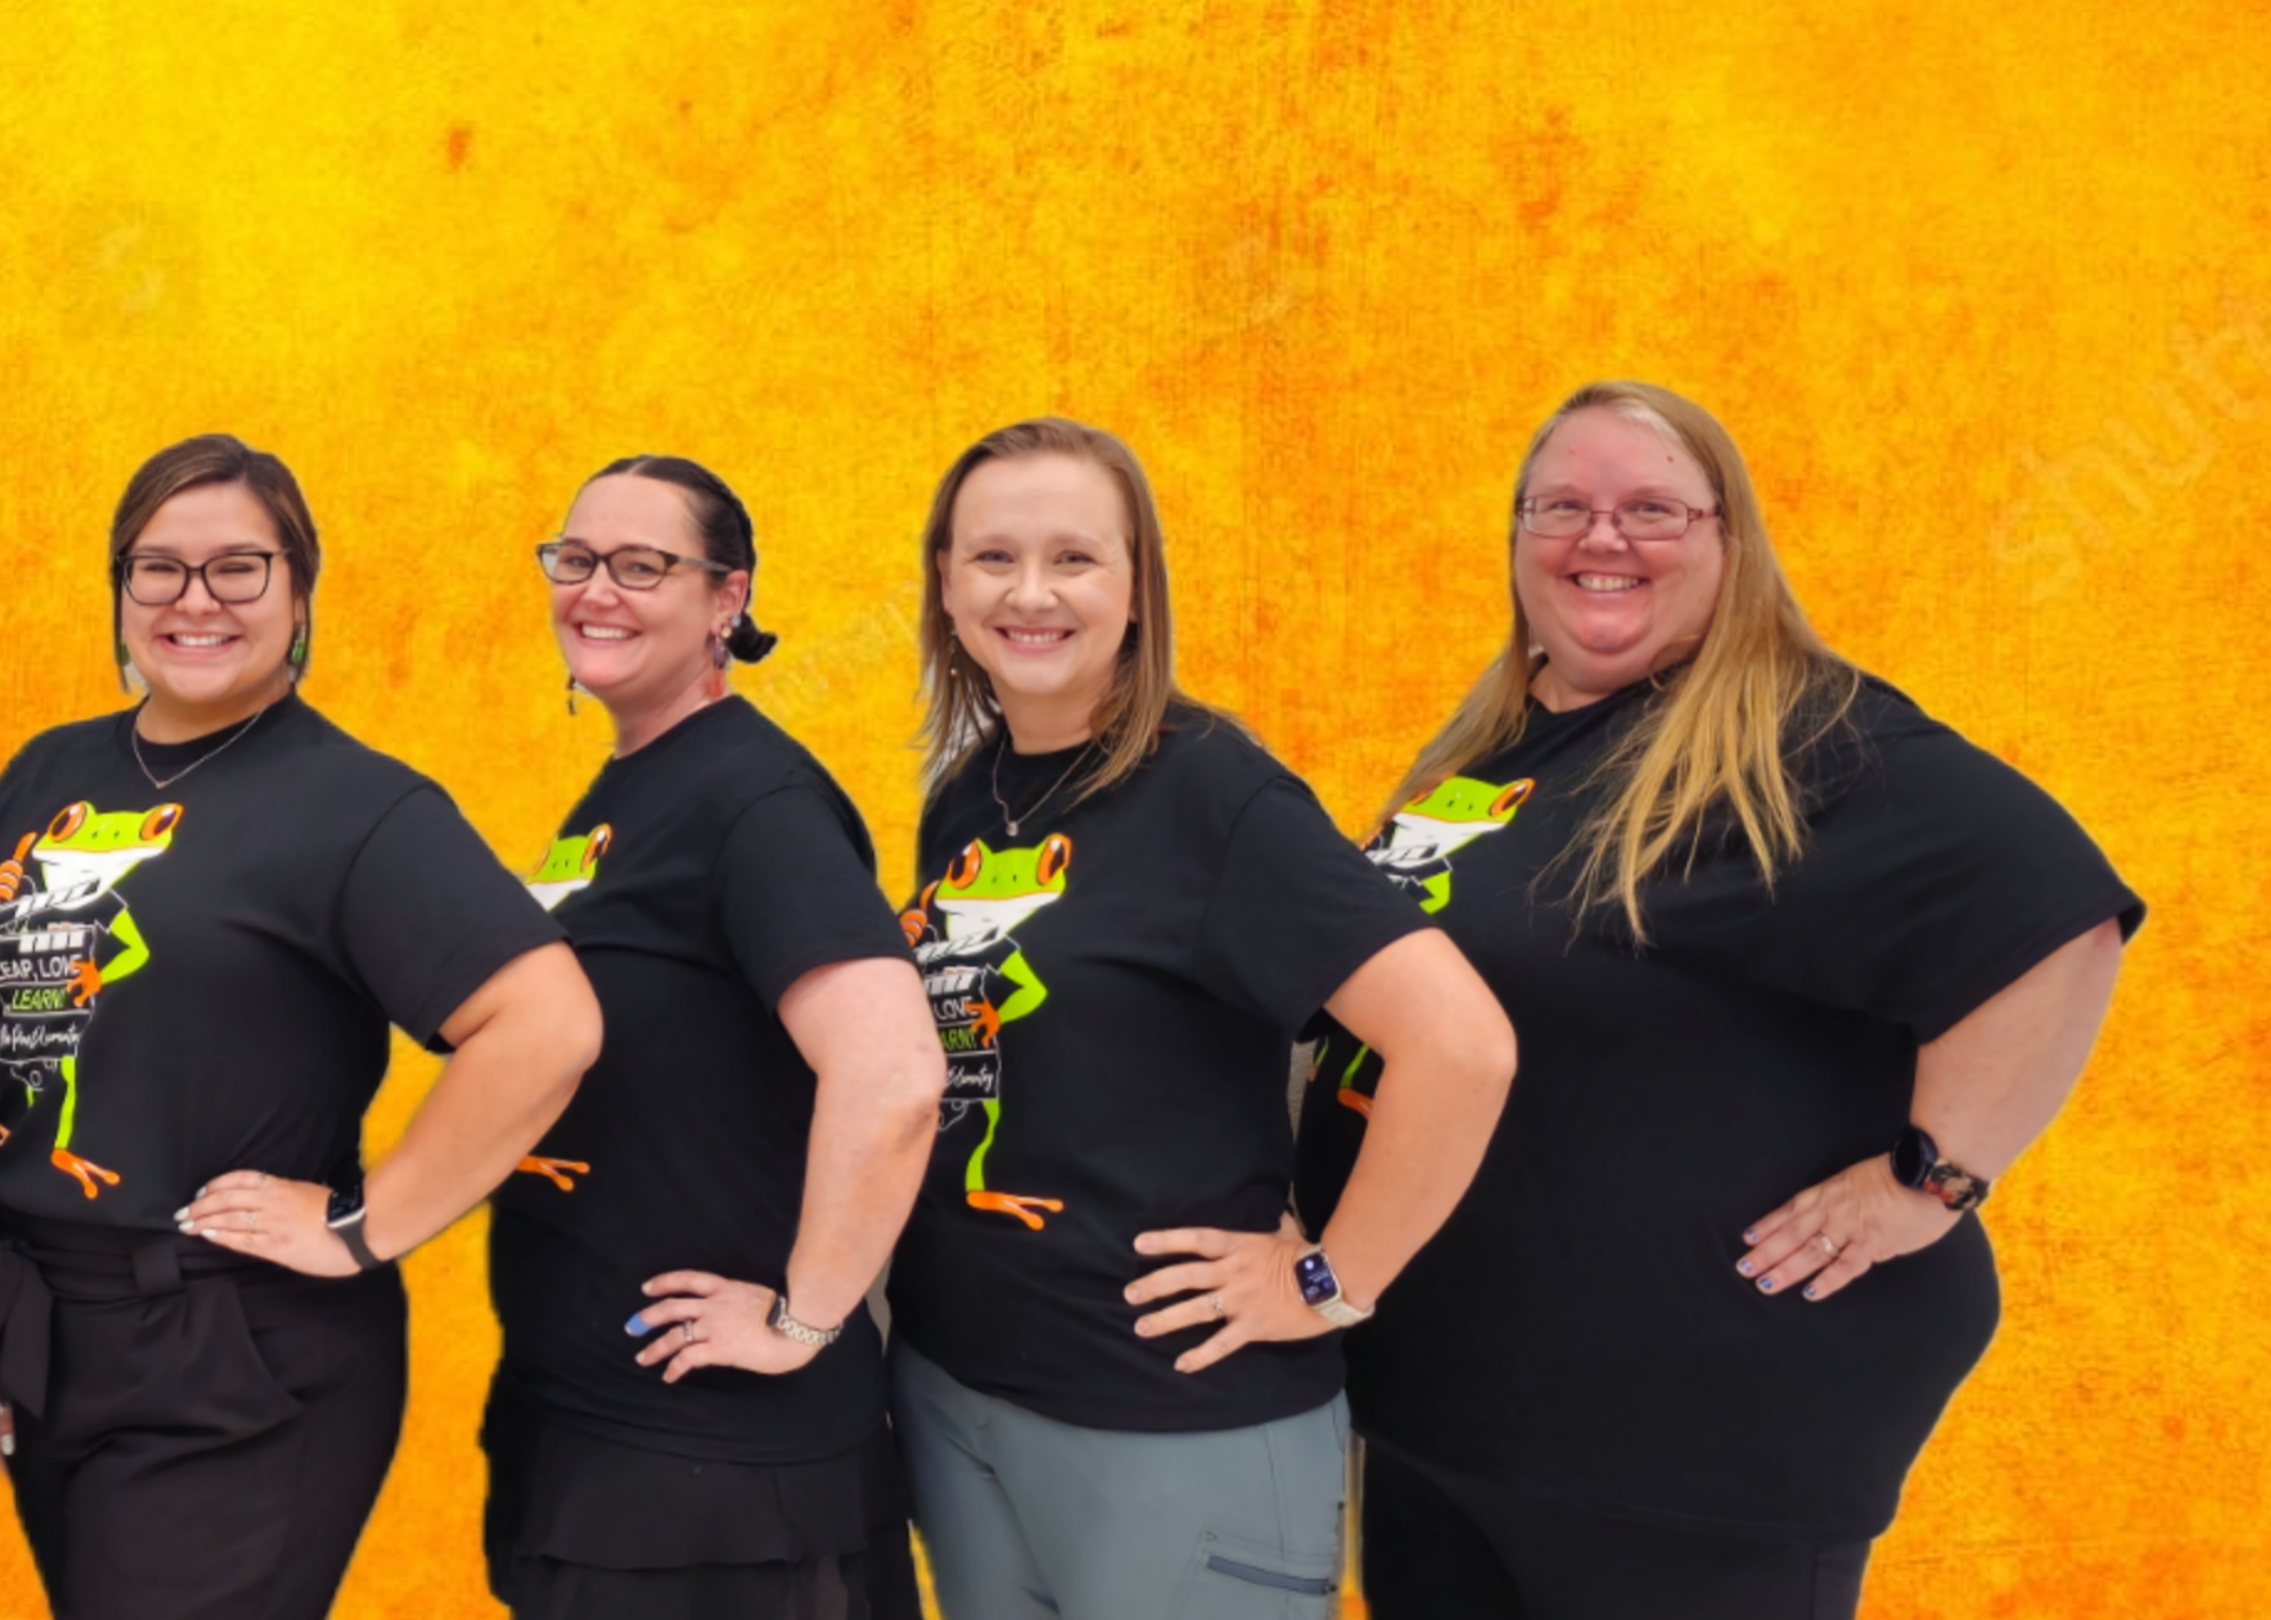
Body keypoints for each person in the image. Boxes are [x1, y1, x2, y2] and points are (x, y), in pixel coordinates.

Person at [1306, 382, 2135, 1620]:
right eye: (1564, 507)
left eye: (1653, 510)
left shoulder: (1798, 738)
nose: (1603, 538)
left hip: (1682, 1454)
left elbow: (2058, 912)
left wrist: (1932, 1179)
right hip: (1450, 1413)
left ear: (1729, 542)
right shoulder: (1506, 745)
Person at [0, 433, 602, 1620]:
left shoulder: (357, 806)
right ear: (120, 589)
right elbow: (9, 1038)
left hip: (236, 1355)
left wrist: (367, 1227)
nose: (195, 601)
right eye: (159, 568)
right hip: (48, 1324)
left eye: (239, 568)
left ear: (299, 593)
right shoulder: (50, 774)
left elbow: (545, 1021)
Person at [883, 418, 1514, 1619]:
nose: (1030, 593)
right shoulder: (969, 797)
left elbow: (1461, 1043)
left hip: (1169, 1422)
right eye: (991, 558)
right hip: (959, 1393)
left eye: (1075, 558)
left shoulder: (1214, 793)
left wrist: (1332, 1281)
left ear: (1137, 589)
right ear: (946, 587)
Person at [483, 455, 947, 1620]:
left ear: (726, 600)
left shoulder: (756, 801)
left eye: (644, 566)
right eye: (576, 560)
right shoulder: (629, 789)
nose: (598, 590)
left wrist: (805, 1318)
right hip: (604, 1448)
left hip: (722, 1490)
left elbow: (893, 1073)